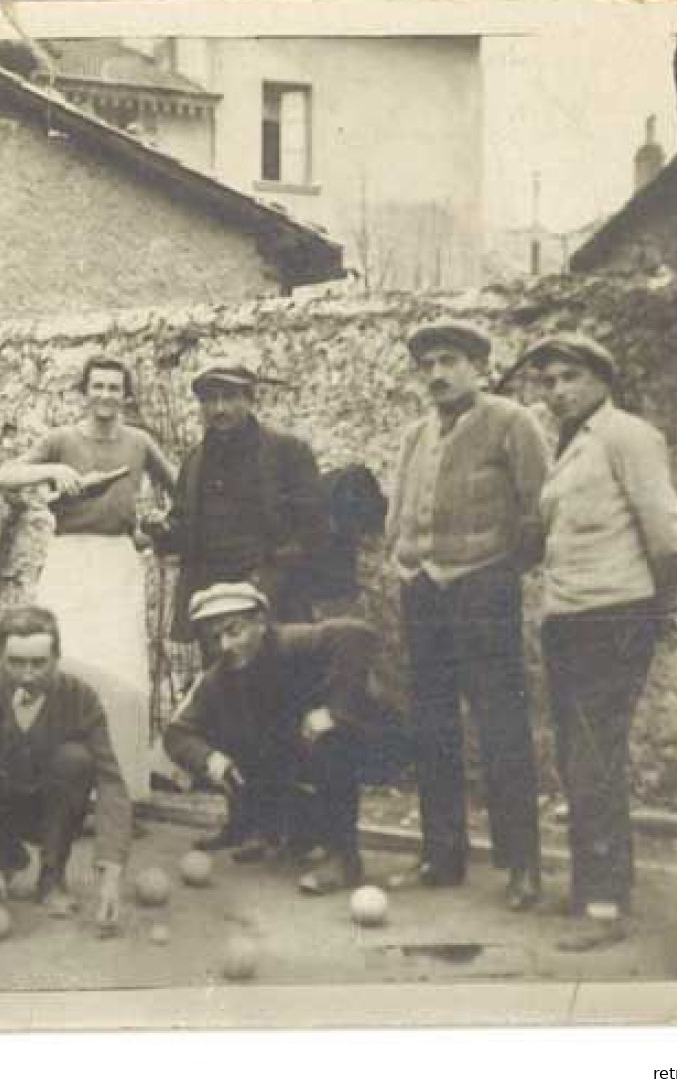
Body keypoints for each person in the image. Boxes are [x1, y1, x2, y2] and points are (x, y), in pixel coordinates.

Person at [522, 334, 677, 950]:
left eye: (570, 377)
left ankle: (605, 905)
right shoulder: (568, 445)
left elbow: (666, 536)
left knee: (593, 758)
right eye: (549, 381)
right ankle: (595, 885)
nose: (558, 390)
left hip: (615, 617)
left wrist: (660, 607)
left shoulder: (628, 436)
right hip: (568, 618)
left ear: (601, 380)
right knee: (575, 757)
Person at [385, 321, 550, 912]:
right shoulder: (413, 435)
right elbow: (402, 507)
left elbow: (539, 511)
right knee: (431, 722)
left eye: (449, 361)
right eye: (426, 364)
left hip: (483, 588)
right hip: (421, 589)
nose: (436, 374)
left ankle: (521, 866)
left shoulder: (512, 422)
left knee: (501, 722)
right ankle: (441, 854)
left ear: (478, 365)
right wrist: (403, 559)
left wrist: (500, 570)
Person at [144, 360, 326, 853]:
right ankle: (242, 820)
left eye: (229, 397)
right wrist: (162, 531)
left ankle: (288, 826)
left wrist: (266, 580)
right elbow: (184, 530)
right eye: (209, 399)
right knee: (226, 714)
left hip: (270, 602)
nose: (219, 409)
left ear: (250, 399)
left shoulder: (287, 454)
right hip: (213, 609)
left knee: (279, 711)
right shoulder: (196, 461)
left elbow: (313, 531)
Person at [0, 355, 176, 794]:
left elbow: (180, 488)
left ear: (126, 396)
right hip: (70, 560)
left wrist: (155, 530)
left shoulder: (139, 442)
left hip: (118, 562)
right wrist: (51, 470)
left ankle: (118, 789)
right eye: (98, 386)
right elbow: (4, 476)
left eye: (115, 388)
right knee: (70, 665)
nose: (106, 396)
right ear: (85, 391)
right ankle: (63, 786)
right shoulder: (61, 439)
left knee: (122, 670)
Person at [0, 605, 129, 925]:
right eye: (16, 663)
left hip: (45, 812)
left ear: (57, 659)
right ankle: (1, 857)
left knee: (76, 760)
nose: (27, 674)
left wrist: (112, 871)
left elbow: (111, 783)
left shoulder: (81, 698)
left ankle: (52, 876)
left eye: (39, 663)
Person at [163, 583, 382, 894]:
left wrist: (336, 711)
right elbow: (176, 732)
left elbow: (359, 634)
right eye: (215, 637)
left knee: (330, 740)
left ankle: (344, 858)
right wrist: (211, 759)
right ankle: (270, 829)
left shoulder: (294, 642)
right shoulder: (216, 680)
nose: (225, 644)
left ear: (260, 622)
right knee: (221, 737)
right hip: (291, 756)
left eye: (233, 630)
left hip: (367, 743)